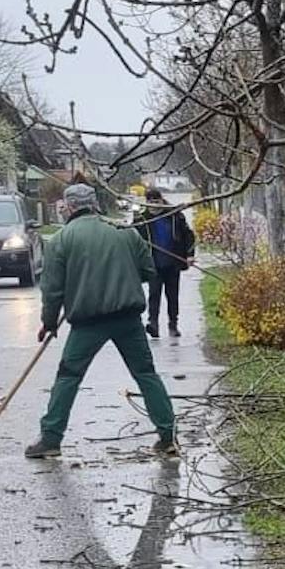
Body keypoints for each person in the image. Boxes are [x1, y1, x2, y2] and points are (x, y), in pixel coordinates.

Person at [25, 183, 179, 462]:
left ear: (69, 207)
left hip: (88, 322)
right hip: (127, 318)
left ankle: (50, 439)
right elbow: (148, 271)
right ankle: (168, 436)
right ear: (95, 203)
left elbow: (52, 289)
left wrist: (49, 322)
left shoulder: (62, 240)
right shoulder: (125, 232)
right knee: (145, 374)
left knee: (69, 376)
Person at [137, 182, 196, 338]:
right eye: (150, 202)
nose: (153, 205)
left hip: (173, 263)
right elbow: (133, 239)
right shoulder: (142, 219)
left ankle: (173, 324)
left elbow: (188, 236)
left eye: (156, 201)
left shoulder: (174, 216)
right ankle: (153, 323)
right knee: (154, 294)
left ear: (162, 200)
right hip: (153, 264)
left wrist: (189, 255)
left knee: (172, 295)